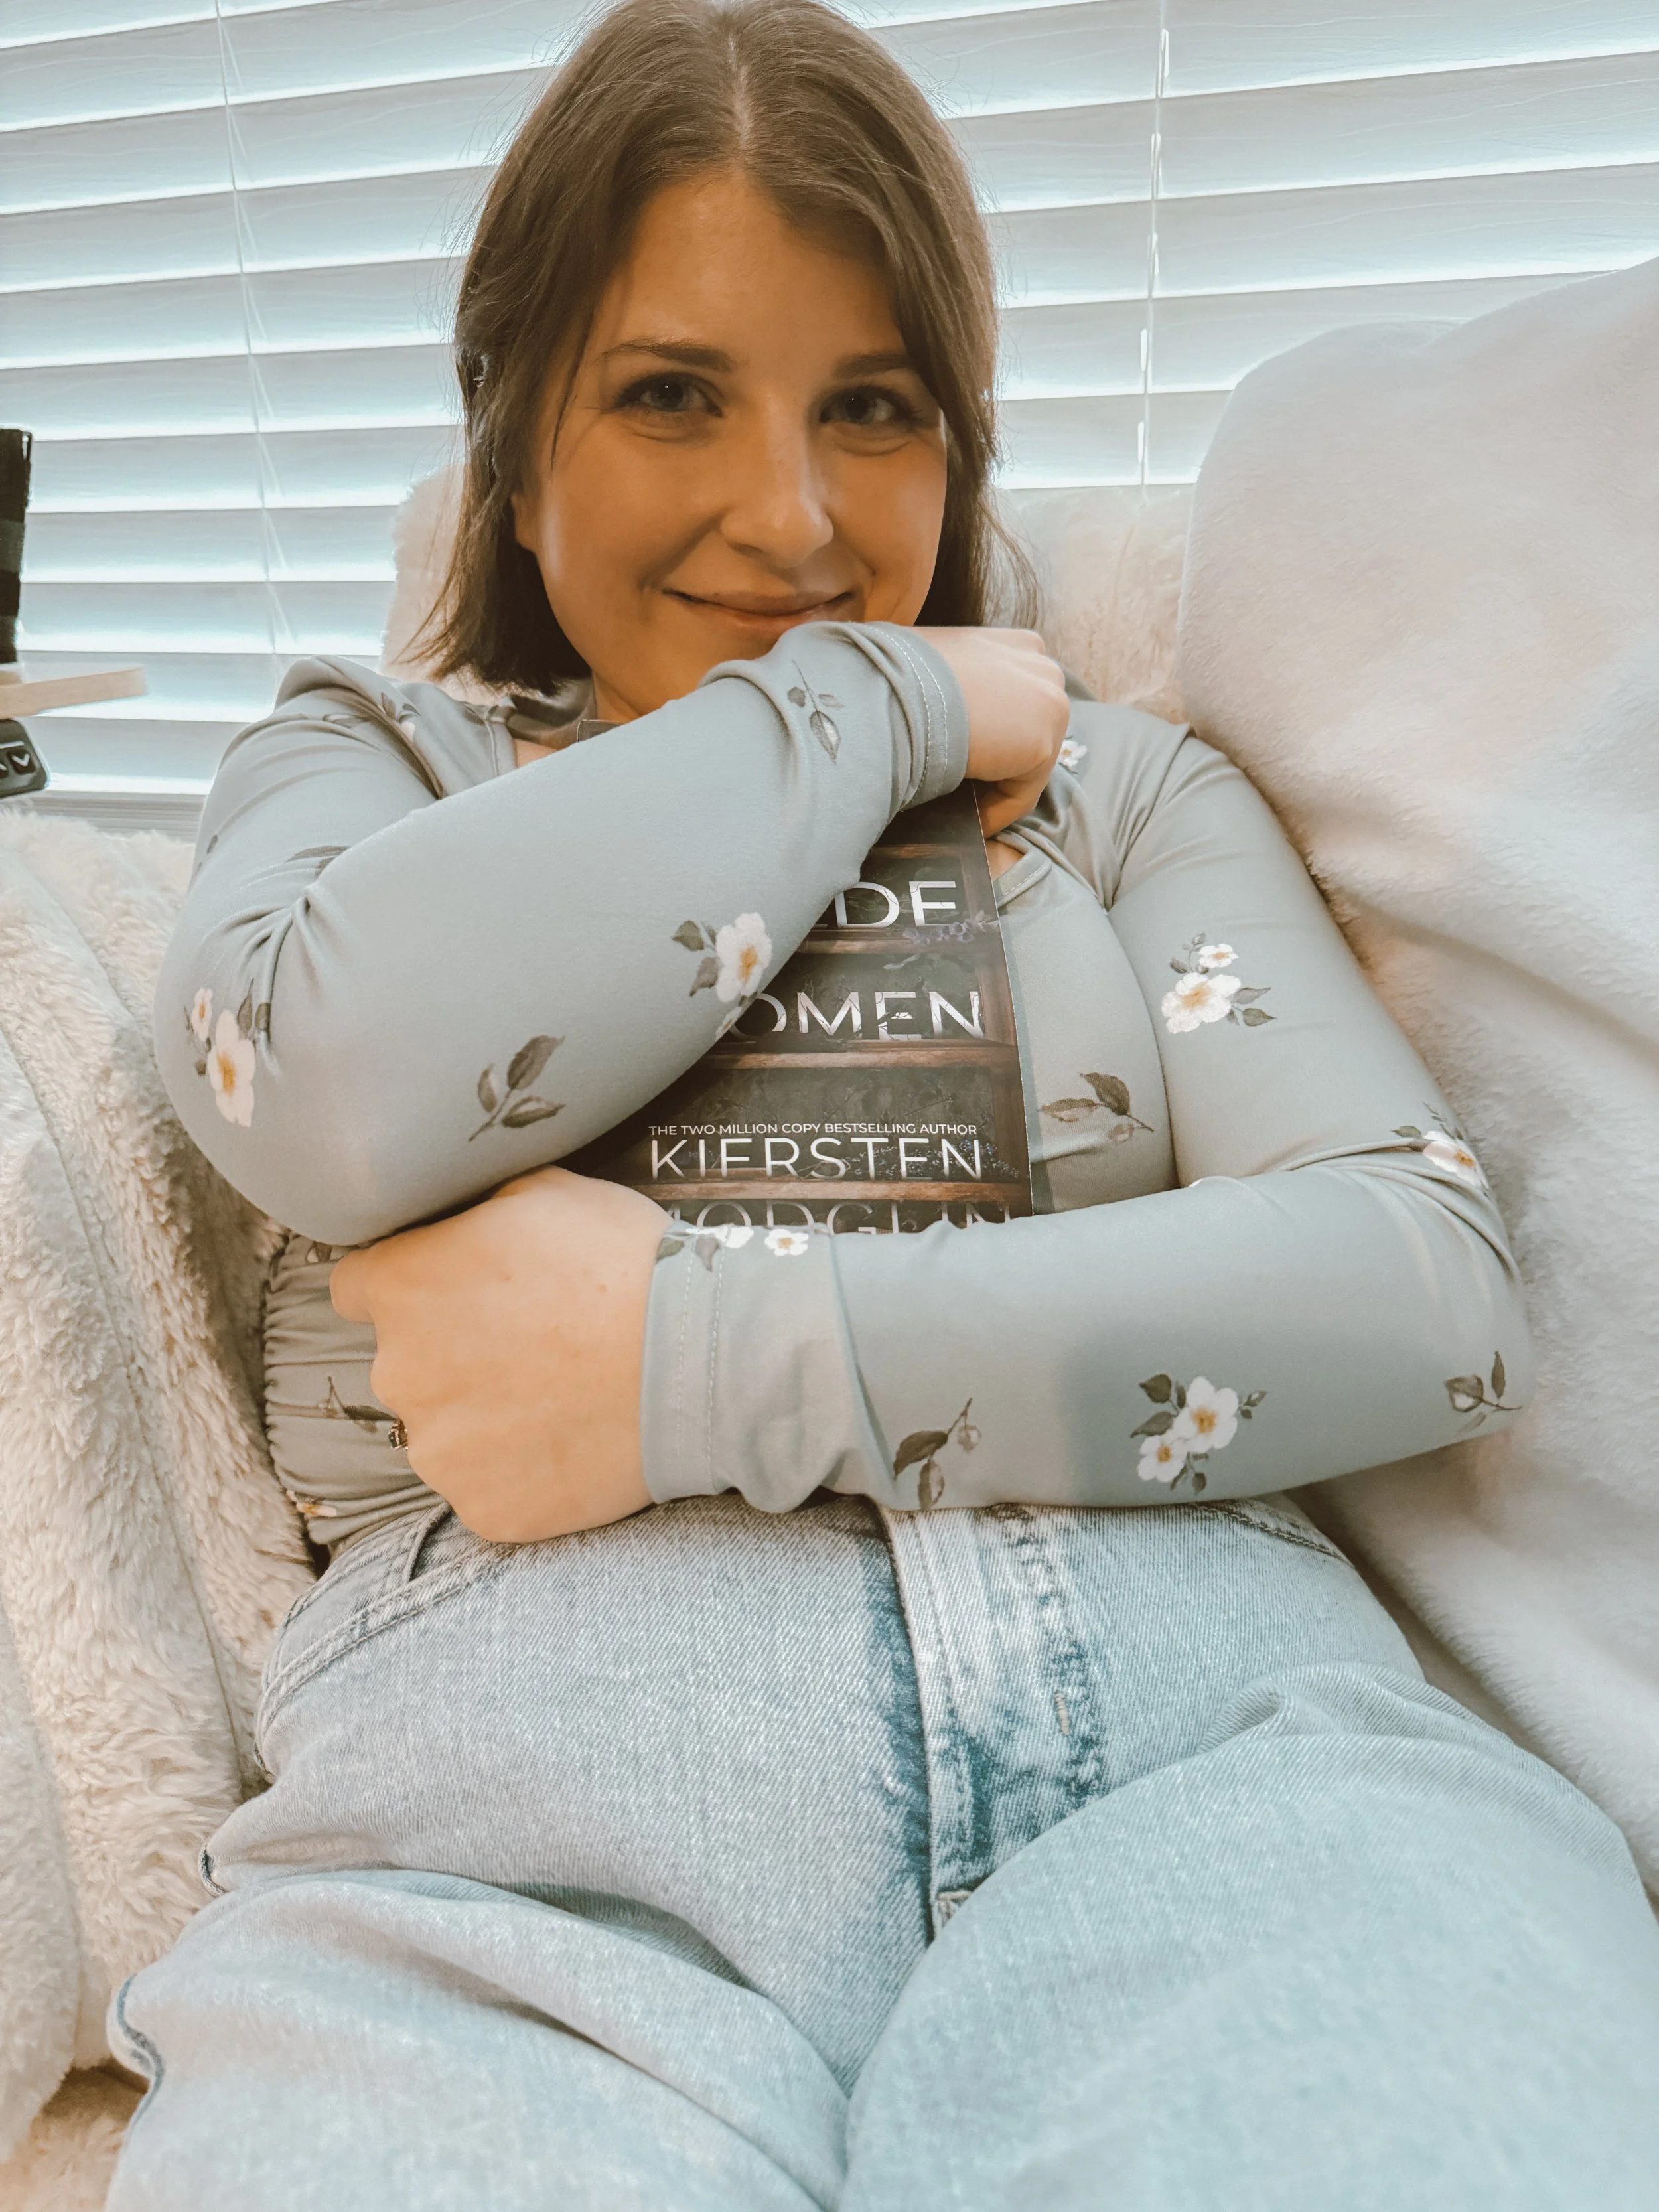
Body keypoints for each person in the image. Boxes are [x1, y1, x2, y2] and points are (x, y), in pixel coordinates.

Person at [106, 1, 1659, 2204]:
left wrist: (695, 1360)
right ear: (509, 428)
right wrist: (874, 694)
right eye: (669, 395)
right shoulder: (376, 767)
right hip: (510, 1876)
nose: (796, 512)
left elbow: (1415, 1278)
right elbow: (318, 1077)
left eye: (877, 406)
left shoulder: (1112, 790)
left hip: (1223, 1779)